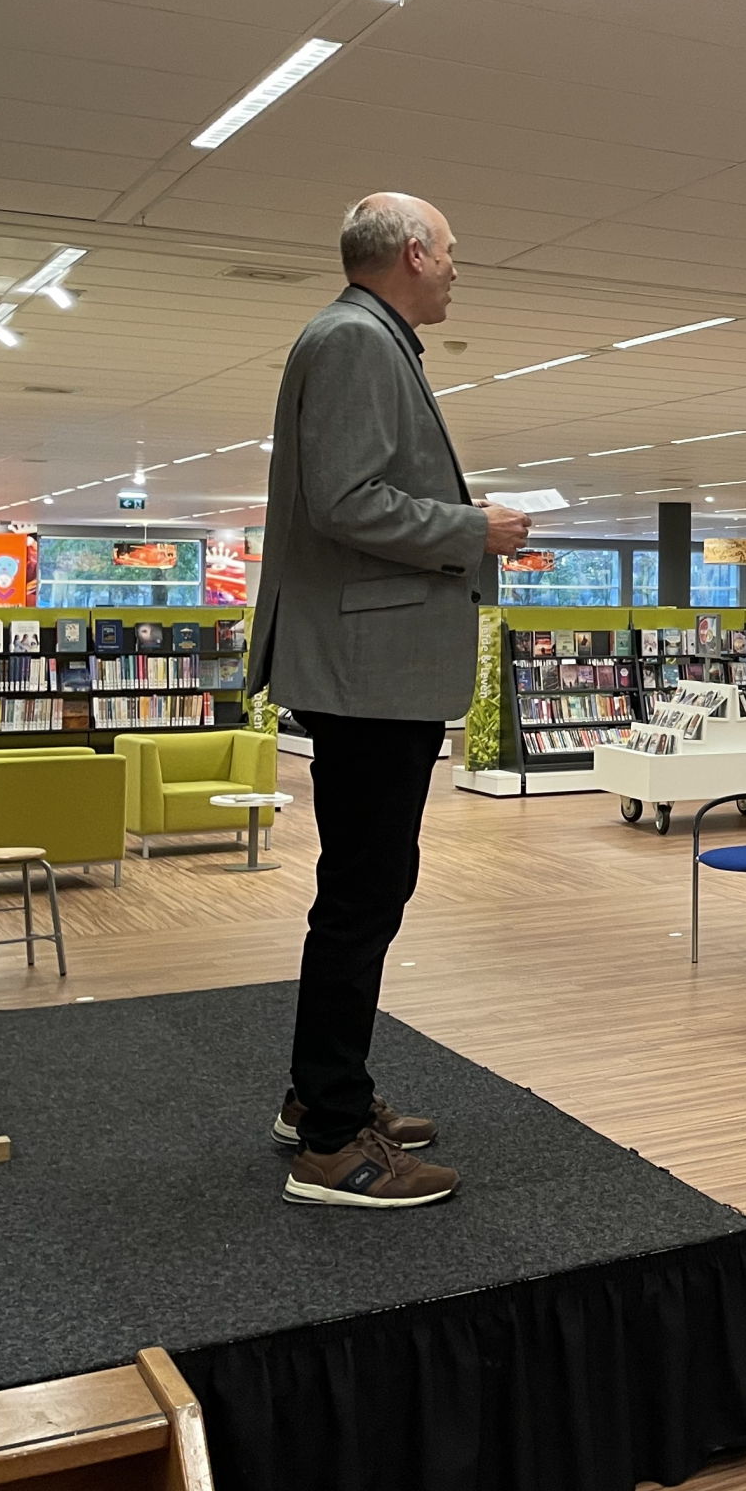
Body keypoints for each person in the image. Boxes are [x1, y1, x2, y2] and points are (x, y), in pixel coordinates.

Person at [253, 193, 533, 1210]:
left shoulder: (365, 339)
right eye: (452, 252)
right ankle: (332, 1144)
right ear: (413, 253)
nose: (459, 269)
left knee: (363, 891)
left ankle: (323, 1095)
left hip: (368, 668)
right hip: (368, 673)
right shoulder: (356, 342)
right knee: (364, 897)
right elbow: (348, 499)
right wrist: (472, 527)